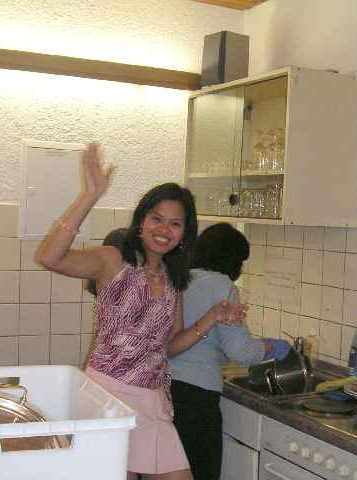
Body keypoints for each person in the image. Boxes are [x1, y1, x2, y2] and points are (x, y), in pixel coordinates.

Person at [36, 144, 246, 480]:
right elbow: (50, 257)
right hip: (107, 398)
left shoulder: (174, 279)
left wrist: (212, 318)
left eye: (175, 224)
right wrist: (90, 195)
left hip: (153, 401)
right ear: (142, 221)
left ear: (184, 234)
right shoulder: (113, 261)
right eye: (156, 219)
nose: (164, 230)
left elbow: (168, 346)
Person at [170, 222, 292, 480]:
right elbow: (241, 351)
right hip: (196, 399)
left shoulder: (182, 278)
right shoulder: (223, 286)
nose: (241, 268)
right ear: (230, 259)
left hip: (165, 391)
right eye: (240, 261)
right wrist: (270, 347)